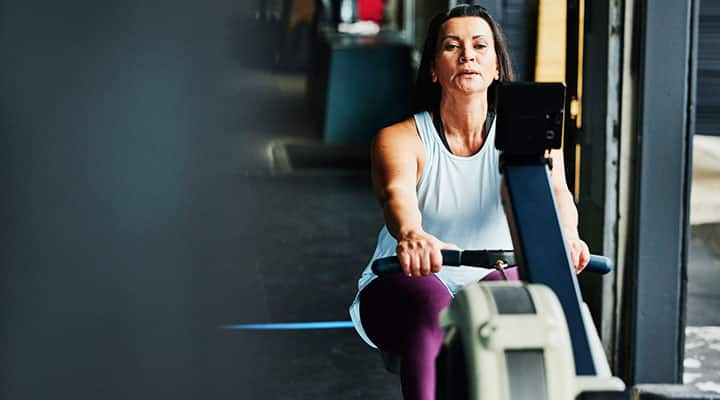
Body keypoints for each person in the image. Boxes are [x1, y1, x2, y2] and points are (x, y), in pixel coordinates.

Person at [348, 4, 590, 400]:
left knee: (517, 305)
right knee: (432, 303)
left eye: (480, 46)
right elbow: (397, 194)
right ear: (433, 69)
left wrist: (569, 236)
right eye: (452, 46)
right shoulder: (401, 138)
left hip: (495, 271)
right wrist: (412, 234)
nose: (467, 56)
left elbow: (557, 194)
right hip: (408, 279)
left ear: (496, 67)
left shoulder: (534, 136)